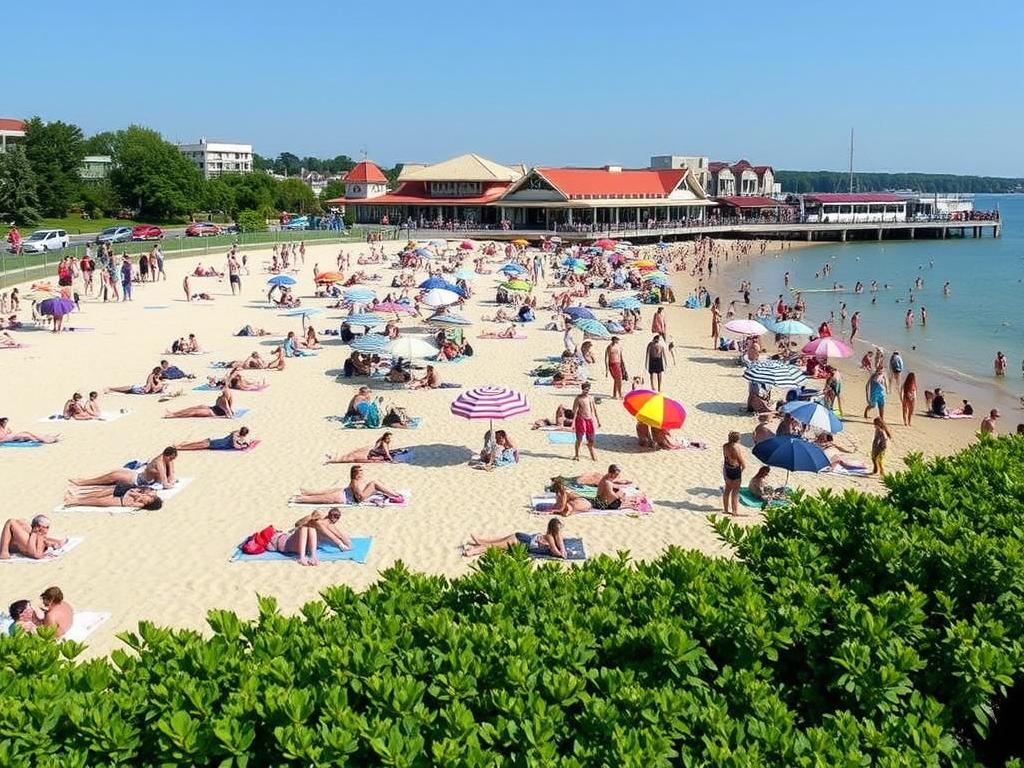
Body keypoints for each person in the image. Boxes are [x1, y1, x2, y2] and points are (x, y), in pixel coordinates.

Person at [70, 446, 178, 489]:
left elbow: (166, 482)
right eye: (171, 458)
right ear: (166, 455)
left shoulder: (164, 461)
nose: (172, 460)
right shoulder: (161, 461)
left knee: (113, 476)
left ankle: (84, 483)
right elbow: (169, 477)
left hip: (139, 480)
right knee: (114, 473)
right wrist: (171, 481)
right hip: (139, 476)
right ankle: (84, 481)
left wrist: (171, 482)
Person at [295, 466, 403, 505]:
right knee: (320, 499)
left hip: (345, 491)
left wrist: (375, 492)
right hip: (345, 497)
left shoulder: (358, 481)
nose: (362, 473)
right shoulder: (355, 482)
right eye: (360, 471)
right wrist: (371, 491)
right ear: (356, 474)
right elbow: (360, 498)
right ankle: (299, 499)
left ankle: (306, 492)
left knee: (323, 492)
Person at [462, 518, 567, 559]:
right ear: (555, 530)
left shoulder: (552, 536)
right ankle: (473, 551)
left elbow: (559, 546)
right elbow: (556, 551)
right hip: (521, 541)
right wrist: (562, 553)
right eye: (559, 529)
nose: (561, 531)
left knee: (497, 542)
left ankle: (479, 542)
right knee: (495, 546)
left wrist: (560, 541)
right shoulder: (550, 537)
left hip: (522, 537)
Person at [0, 515, 67, 560]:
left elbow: (36, 554)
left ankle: (4, 551)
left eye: (47, 527)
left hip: (26, 546)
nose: (47, 529)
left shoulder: (38, 534)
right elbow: (37, 554)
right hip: (24, 545)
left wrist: (34, 534)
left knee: (12, 521)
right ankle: (4, 552)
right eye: (46, 527)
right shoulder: (39, 534)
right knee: (20, 522)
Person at [164, 382, 234, 419]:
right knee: (197, 407)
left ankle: (173, 416)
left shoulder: (224, 395)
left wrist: (229, 414)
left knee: (194, 412)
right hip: (214, 408)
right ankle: (174, 413)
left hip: (215, 412)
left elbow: (227, 407)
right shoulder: (226, 390)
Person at [62, 485, 163, 510]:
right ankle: (76, 497)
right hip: (121, 496)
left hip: (118, 501)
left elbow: (133, 494)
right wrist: (140, 495)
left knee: (96, 501)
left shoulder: (140, 504)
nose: (149, 496)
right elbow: (132, 493)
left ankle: (73, 501)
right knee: (98, 495)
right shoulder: (143, 499)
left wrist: (139, 495)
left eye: (151, 498)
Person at [572, 382, 601, 461]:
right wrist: (573, 423)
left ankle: (592, 453)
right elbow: (574, 411)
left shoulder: (590, 398)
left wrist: (598, 421)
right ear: (582, 389)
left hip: (589, 420)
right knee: (579, 439)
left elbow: (594, 410)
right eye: (585, 389)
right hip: (581, 420)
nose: (586, 391)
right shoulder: (578, 398)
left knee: (591, 439)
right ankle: (577, 455)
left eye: (588, 389)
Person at [722, 431, 745, 517]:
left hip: (727, 468)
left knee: (727, 489)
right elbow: (741, 462)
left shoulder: (725, 446)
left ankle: (726, 509)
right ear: (737, 439)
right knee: (735, 491)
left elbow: (726, 457)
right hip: (735, 470)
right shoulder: (735, 448)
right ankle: (734, 511)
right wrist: (742, 469)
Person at [175, 427, 252, 451]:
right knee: (198, 446)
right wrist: (243, 446)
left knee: (199, 443)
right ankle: (181, 447)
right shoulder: (235, 435)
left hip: (218, 440)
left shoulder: (236, 433)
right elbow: (236, 446)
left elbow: (238, 439)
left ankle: (181, 446)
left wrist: (244, 443)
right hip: (218, 444)